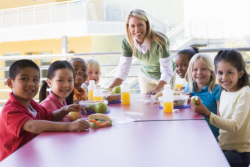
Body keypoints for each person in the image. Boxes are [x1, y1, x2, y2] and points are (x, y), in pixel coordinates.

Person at [0, 59, 89, 161]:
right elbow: (33, 126)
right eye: (24, 79)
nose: (31, 84)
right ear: (10, 83)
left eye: (35, 80)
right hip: (13, 160)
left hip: (31, 157)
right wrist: (69, 126)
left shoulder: (33, 105)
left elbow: (50, 116)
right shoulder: (10, 110)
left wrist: (65, 109)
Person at [191, 50, 250, 167]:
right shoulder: (224, 92)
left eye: (230, 72)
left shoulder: (245, 93)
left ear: (241, 73)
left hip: (240, 153)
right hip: (223, 147)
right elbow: (221, 121)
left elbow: (234, 126)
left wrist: (207, 113)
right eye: (220, 73)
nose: (224, 77)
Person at [108, 9, 174, 95]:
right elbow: (123, 71)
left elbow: (167, 71)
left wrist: (157, 89)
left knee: (165, 105)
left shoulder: (160, 41)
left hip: (165, 77)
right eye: (132, 26)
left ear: (146, 24)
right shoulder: (127, 43)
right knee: (147, 105)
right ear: (128, 27)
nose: (137, 30)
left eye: (140, 25)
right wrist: (109, 89)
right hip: (146, 76)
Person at [184, 53, 220, 139]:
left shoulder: (217, 90)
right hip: (193, 131)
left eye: (204, 69)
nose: (199, 73)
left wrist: (205, 111)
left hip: (213, 135)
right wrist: (181, 100)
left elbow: (220, 120)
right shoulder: (189, 87)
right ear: (190, 71)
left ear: (211, 72)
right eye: (195, 69)